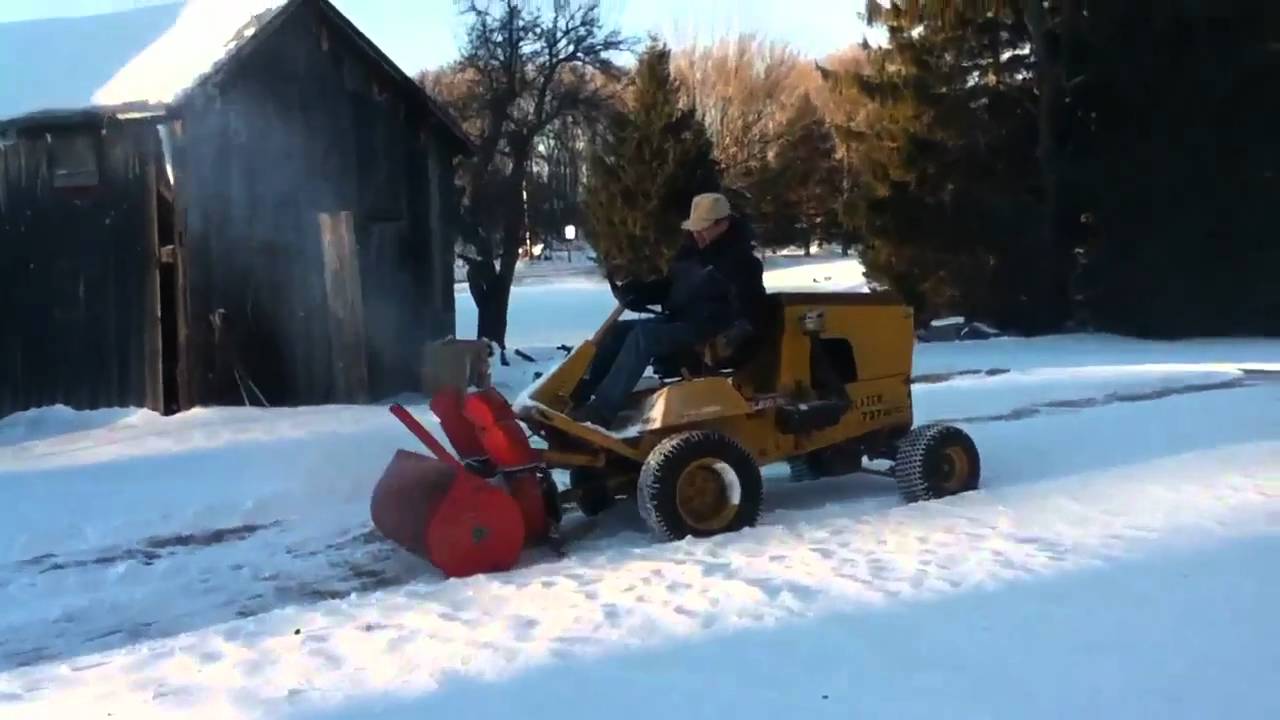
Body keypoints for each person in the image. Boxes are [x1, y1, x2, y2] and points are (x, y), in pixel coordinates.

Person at [569, 192, 767, 428]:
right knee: (618, 331)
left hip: (710, 328)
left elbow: (753, 305)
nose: (697, 234)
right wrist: (641, 291)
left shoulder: (741, 262)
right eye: (695, 228)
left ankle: (601, 412)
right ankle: (582, 396)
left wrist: (739, 330)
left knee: (645, 337)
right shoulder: (691, 252)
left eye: (703, 229)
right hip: (681, 320)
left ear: (723, 224)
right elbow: (670, 286)